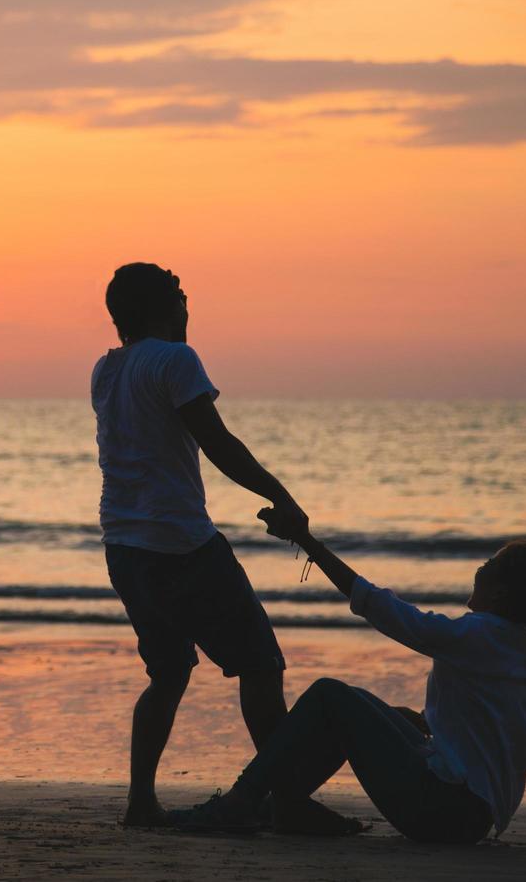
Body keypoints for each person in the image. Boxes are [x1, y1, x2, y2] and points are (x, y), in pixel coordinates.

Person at [181, 525, 526, 842]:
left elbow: (387, 611)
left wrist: (308, 542)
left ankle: (242, 801)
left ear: (499, 592)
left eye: (488, 564)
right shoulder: (521, 651)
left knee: (329, 695)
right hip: (470, 818)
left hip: (442, 813)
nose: (479, 568)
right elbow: (512, 740)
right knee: (369, 708)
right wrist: (434, 730)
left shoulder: (480, 635)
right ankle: (288, 805)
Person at [92, 262, 310, 827]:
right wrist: (280, 495)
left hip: (124, 547)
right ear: (169, 308)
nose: (189, 310)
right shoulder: (174, 360)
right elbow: (216, 442)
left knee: (167, 674)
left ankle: (141, 802)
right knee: (261, 664)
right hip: (181, 546)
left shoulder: (106, 371)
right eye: (183, 299)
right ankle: (286, 801)